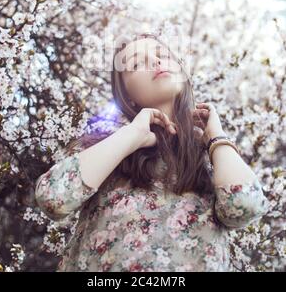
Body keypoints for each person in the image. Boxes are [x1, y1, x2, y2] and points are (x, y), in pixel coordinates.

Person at [35, 32, 269, 272]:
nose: (155, 63)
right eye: (136, 63)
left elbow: (244, 207)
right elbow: (53, 198)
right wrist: (132, 135)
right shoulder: (108, 148)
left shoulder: (213, 157)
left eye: (163, 56)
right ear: (126, 95)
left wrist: (216, 138)